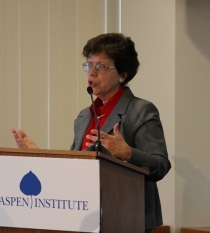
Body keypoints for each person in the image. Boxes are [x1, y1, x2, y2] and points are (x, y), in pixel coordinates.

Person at [12, 33, 171, 233]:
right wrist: (39, 155)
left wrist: (127, 152)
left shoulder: (141, 110)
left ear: (122, 74)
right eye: (89, 65)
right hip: (83, 217)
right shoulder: (84, 117)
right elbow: (75, 167)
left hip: (127, 218)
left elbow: (161, 165)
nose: (92, 73)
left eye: (101, 67)